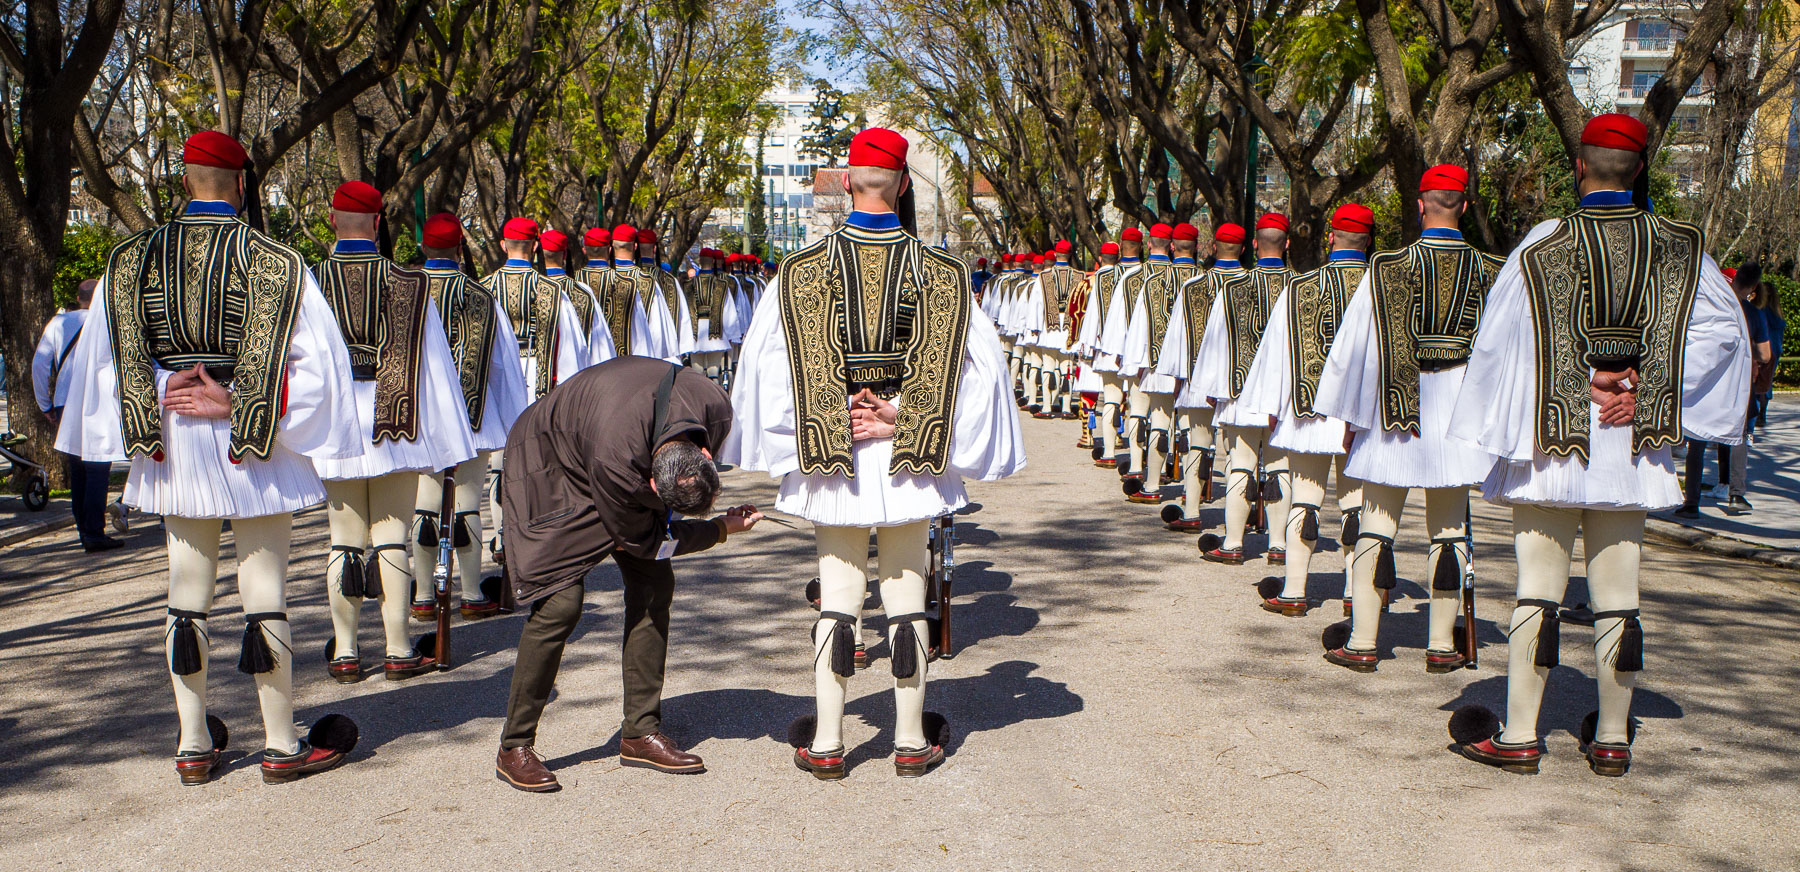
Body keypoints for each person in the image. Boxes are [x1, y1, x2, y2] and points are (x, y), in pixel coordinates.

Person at [55, 130, 363, 785]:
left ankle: (194, 743)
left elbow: (101, 367)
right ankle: (281, 745)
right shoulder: (276, 261)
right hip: (248, 443)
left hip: (173, 442)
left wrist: (163, 385)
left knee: (185, 596)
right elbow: (320, 372)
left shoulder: (131, 259)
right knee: (265, 594)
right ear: (242, 182)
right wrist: (239, 400)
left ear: (184, 179)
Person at [1447, 114, 1750, 776]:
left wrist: (1571, 382)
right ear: (1639, 169)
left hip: (1552, 446)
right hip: (1629, 444)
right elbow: (1725, 334)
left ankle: (1521, 736)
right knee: (1619, 597)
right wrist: (1647, 387)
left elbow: (1498, 343)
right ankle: (1612, 739)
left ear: (1579, 167)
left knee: (1537, 593)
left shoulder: (1541, 242)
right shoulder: (1679, 247)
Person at [725, 128, 1025, 780]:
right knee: (905, 594)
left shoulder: (797, 273)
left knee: (838, 597)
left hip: (835, 455)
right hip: (904, 455)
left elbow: (765, 376)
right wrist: (904, 418)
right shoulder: (944, 272)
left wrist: (832, 419)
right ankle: (911, 741)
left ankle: (829, 742)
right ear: (904, 184)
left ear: (847, 181)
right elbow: (983, 377)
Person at [494, 357, 761, 792]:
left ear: (707, 453)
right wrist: (720, 529)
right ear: (652, 486)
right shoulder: (617, 464)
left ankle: (639, 732)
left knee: (655, 584)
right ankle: (514, 746)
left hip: (609, 437)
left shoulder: (716, 407)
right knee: (560, 605)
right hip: (548, 462)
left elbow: (656, 536)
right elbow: (649, 541)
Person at [1312, 165, 1502, 673]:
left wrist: (1348, 416)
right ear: (1464, 204)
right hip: (1459, 414)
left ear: (1421, 205)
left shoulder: (1386, 267)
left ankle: (1364, 641)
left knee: (1377, 526)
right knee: (1450, 532)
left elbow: (1355, 350)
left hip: (1397, 409)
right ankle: (1441, 645)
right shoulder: (1492, 269)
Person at [309, 181, 478, 682]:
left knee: (343, 540)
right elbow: (434, 368)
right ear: (379, 222)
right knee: (392, 539)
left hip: (336, 423)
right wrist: (449, 440)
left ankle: (344, 651)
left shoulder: (310, 279)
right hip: (395, 420)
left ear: (333, 219)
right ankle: (398, 647)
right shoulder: (408, 281)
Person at [1234, 204, 1374, 614]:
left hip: (1307, 411)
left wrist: (1272, 409)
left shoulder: (1298, 287)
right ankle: (1353, 593)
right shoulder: (1380, 286)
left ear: (1331, 237)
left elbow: (1274, 354)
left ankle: (1295, 592)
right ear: (1368, 240)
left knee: (1305, 501)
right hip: (1359, 417)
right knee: (1356, 506)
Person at [409, 212, 529, 621]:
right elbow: (503, 365)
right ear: (460, 249)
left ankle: (424, 595)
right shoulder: (481, 296)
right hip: (472, 417)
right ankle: (473, 593)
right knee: (466, 506)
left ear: (424, 248)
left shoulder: (406, 291)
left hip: (419, 421)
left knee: (425, 507)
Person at [1190, 214, 1295, 563]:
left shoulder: (1232, 287)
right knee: (1280, 467)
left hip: (1241, 390)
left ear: (1254, 244)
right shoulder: (1302, 285)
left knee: (1241, 465)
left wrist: (1210, 387)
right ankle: (1279, 545)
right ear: (1288, 244)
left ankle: (1234, 543)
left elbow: (1215, 341)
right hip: (1284, 395)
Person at [33, 278, 122, 552]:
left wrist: (45, 404)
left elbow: (40, 364)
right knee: (97, 467)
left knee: (77, 468)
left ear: (79, 296)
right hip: (99, 400)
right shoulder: (110, 322)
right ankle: (94, 531)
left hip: (65, 401)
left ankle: (83, 527)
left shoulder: (58, 324)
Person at [1116, 223, 1181, 503]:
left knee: (1142, 415)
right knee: (1181, 426)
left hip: (1147, 359)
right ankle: (1182, 482)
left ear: (1148, 244)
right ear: (1172, 246)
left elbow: (1125, 325)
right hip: (1188, 366)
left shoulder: (1134, 278)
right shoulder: (1198, 277)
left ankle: (1140, 470)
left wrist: (1128, 359)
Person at [1089, 230, 1144, 468]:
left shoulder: (1104, 276)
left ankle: (1110, 453)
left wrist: (1088, 344)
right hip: (1141, 350)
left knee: (1111, 399)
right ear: (1142, 247)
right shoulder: (1149, 274)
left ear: (1121, 246)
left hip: (1110, 347)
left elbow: (1093, 314)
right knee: (1138, 406)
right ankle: (1137, 462)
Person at [1020, 241, 1083, 419]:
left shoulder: (1044, 276)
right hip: (1069, 328)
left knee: (1047, 367)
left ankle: (1047, 407)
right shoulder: (1079, 276)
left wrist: (1034, 327)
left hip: (1049, 326)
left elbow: (1036, 304)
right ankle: (1066, 408)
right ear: (1070, 255)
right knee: (1067, 368)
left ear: (1055, 254)